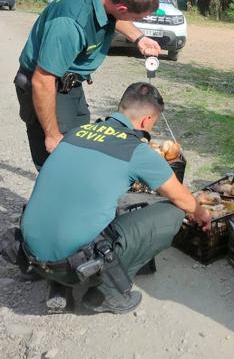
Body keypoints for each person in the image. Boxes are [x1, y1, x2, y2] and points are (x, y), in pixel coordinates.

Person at [20, 82, 211, 314]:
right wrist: (201, 213)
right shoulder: (135, 150)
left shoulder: (74, 133)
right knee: (174, 211)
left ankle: (58, 286)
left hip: (31, 252)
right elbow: (183, 199)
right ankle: (105, 294)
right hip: (74, 265)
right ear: (146, 121)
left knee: (81, 207)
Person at [14, 0, 163, 170]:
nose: (136, 22)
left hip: (70, 84)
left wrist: (139, 38)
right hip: (47, 87)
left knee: (80, 146)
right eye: (136, 18)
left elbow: (113, 17)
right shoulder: (70, 23)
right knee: (56, 161)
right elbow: (42, 81)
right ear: (122, 8)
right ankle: (51, 198)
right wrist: (51, 134)